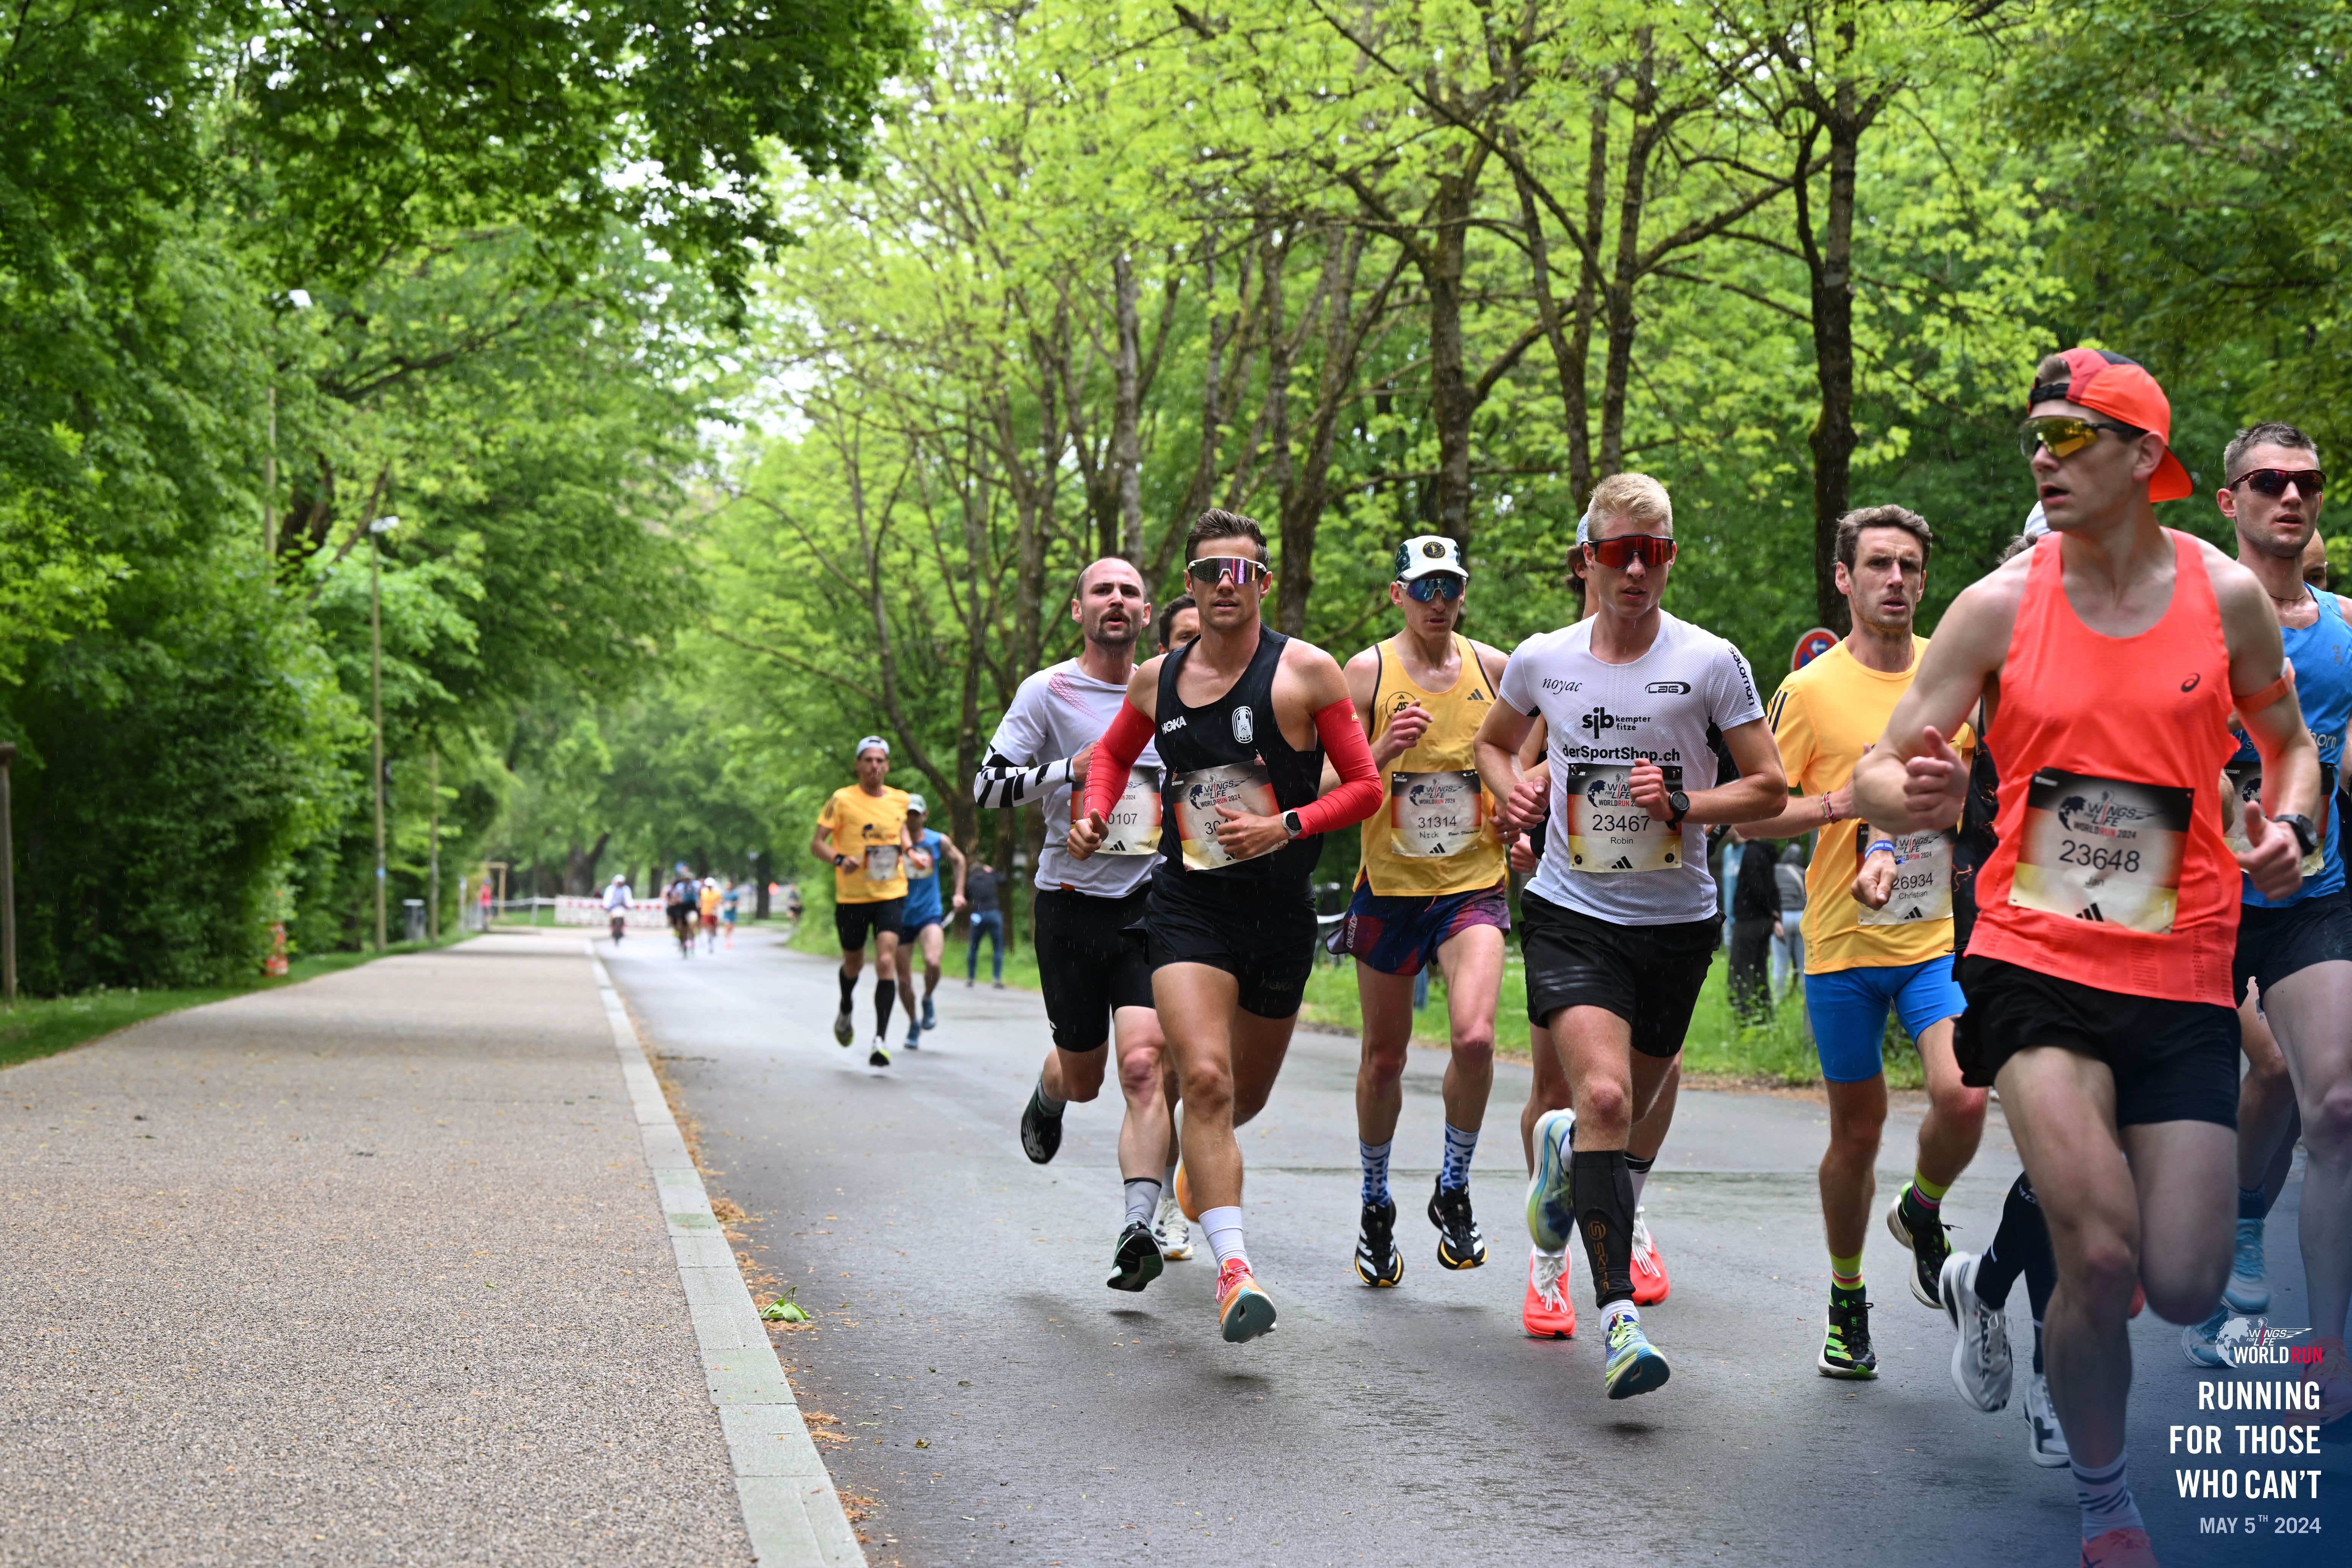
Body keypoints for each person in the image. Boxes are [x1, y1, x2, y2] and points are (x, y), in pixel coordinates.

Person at [1853, 348, 2320, 1565]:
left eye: (2070, 436)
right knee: (2101, 1251)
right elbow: (1880, 764)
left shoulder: (2224, 598)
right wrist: (1907, 792)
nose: (2043, 458)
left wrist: (2291, 828)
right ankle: (2109, 1505)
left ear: (2144, 456)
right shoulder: (2000, 604)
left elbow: (2287, 745)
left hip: (2183, 965)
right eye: (2037, 437)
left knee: (2185, 1279)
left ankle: (2000, 1286)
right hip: (2035, 955)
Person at [1474, 471, 1786, 1400]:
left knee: (1628, 1111)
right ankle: (1617, 1319)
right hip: (1571, 912)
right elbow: (1494, 743)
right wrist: (1514, 792)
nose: (1637, 571)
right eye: (1619, 553)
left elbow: (1768, 786)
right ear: (1589, 560)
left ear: (1670, 559)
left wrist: (1685, 803)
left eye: (1653, 554)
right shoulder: (1544, 658)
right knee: (1605, 1097)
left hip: (1676, 924)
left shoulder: (1711, 662)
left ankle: (1567, 1161)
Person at [1073, 509, 1384, 1342]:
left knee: (1240, 1097)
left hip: (1278, 915)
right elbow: (1112, 756)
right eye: (1210, 571)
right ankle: (1235, 1269)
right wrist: (1098, 809)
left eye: (1240, 571)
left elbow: (1365, 786)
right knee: (1204, 1081)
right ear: (1189, 584)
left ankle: (1192, 1183)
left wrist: (1286, 826)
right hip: (1188, 907)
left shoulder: (1306, 672)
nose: (1224, 584)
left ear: (1263, 583)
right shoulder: (1156, 681)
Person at [1737, 505, 1989, 1381]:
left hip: (1931, 938)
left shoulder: (1956, 675)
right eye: (1878, 563)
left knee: (1963, 1097)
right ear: (1844, 578)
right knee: (1858, 1132)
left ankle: (1921, 1209)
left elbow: (1980, 792)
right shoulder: (1809, 691)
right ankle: (1847, 1296)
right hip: (1843, 945)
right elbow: (1754, 815)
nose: (1896, 580)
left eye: (1909, 566)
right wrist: (1839, 805)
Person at [2171, 420, 2351, 1423]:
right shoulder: (2188, 615)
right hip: (2196, 899)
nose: (2292, 496)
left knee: (2334, 1106)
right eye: (2270, 480)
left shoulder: (2348, 630)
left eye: (2307, 482)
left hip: (2310, 894)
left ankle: (2327, 1353)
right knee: (2175, 1115)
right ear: (2230, 500)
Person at [977, 557, 1190, 1290]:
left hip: (1150, 902)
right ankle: (1050, 1092)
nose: (1116, 600)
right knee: (1085, 1075)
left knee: (1144, 1065)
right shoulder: (1047, 691)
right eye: (1103, 590)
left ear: (1146, 612)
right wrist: (1068, 770)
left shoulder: (1174, 690)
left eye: (1130, 591)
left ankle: (1137, 1225)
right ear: (1079, 610)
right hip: (1068, 903)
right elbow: (986, 785)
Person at [1335, 534, 1512, 1286]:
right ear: (1397, 595)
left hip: (1472, 884)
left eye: (1449, 587)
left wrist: (1518, 808)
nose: (1437, 602)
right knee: (1385, 1059)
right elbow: (1325, 783)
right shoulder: (1365, 672)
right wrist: (1381, 748)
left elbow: (1527, 757)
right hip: (1389, 887)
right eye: (1423, 588)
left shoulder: (1496, 669)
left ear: (1463, 593)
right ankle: (1376, 1203)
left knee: (1474, 1039)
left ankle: (1454, 1185)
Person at [811, 737, 917, 1068]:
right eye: (868, 760)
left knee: (886, 961)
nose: (874, 766)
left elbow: (901, 832)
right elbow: (817, 844)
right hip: (852, 897)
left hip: (891, 893)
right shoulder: (841, 799)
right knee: (854, 964)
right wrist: (839, 859)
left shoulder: (901, 799)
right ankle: (846, 1006)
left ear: (887, 766)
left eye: (880, 761)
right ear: (858, 765)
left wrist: (912, 852)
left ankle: (880, 1040)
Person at [892, 795, 967, 1051]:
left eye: (916, 813)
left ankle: (927, 998)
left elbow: (959, 860)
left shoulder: (937, 841)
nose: (912, 818)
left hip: (929, 913)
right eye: (908, 813)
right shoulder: (893, 842)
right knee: (903, 980)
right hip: (900, 915)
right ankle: (914, 1023)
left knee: (933, 962)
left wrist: (959, 893)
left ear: (924, 816)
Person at [1728, 829, 1779, 1023]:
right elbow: (1772, 888)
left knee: (1740, 973)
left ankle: (1745, 1019)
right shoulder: (1765, 853)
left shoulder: (1751, 854)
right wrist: (1772, 912)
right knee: (1759, 971)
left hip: (1749, 921)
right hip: (1763, 922)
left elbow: (1757, 887)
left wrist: (1767, 908)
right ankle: (1765, 1018)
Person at [964, 861, 1006, 987]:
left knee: (973, 947)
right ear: (984, 870)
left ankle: (971, 978)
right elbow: (1004, 881)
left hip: (978, 915)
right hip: (993, 914)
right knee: (997, 947)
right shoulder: (991, 878)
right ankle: (996, 979)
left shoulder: (970, 882)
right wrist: (992, 871)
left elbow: (966, 898)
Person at [1772, 843, 1807, 997]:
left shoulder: (1776, 870)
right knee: (1804, 963)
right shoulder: (1803, 873)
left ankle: (1778, 998)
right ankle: (1806, 999)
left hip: (1783, 917)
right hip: (1801, 917)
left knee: (1781, 961)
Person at [664, 864, 699, 958]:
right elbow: (675, 896)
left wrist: (699, 902)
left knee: (692, 925)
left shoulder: (696, 885)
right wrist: (677, 900)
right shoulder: (680, 887)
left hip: (692, 907)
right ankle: (684, 946)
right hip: (683, 908)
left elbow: (700, 895)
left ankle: (692, 943)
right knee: (683, 928)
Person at [602, 872, 632, 945]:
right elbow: (608, 898)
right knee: (612, 918)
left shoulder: (626, 889)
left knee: (623, 917)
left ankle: (622, 930)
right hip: (613, 907)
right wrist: (606, 906)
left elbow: (628, 898)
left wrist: (630, 905)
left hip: (621, 907)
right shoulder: (611, 889)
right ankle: (613, 929)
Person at [698, 876, 722, 953]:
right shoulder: (703, 892)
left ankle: (711, 936)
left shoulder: (717, 892)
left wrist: (717, 905)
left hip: (714, 912)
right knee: (707, 926)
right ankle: (709, 938)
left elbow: (720, 901)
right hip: (705, 912)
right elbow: (701, 901)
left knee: (714, 927)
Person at [720, 878, 740, 946]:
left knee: (731, 928)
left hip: (732, 913)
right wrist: (725, 903)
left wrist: (732, 904)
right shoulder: (724, 894)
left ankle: (727, 935)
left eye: (729, 886)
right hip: (727, 913)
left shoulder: (734, 894)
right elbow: (721, 901)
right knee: (727, 925)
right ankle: (728, 940)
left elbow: (738, 902)